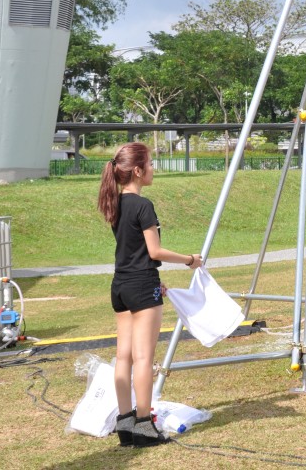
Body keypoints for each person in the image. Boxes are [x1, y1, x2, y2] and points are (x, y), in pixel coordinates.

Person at [97, 142, 202, 448]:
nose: (154, 169)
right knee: (144, 358)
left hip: (121, 287)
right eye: (152, 164)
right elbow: (154, 250)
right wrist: (189, 260)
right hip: (142, 285)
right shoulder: (144, 206)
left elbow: (135, 252)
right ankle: (145, 425)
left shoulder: (115, 203)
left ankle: (126, 423)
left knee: (124, 357)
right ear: (139, 171)